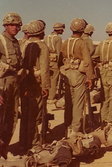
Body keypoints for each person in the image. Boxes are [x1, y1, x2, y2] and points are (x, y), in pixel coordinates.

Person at [20, 20, 50, 151]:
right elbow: (44, 68)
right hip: (36, 84)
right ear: (41, 32)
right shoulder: (42, 46)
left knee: (25, 114)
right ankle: (34, 143)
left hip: (24, 82)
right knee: (36, 114)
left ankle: (23, 143)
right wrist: (46, 86)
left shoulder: (24, 44)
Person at [61, 18, 93, 136]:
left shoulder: (65, 42)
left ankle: (67, 127)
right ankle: (75, 130)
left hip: (67, 73)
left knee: (69, 102)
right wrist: (89, 77)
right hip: (78, 74)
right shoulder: (81, 43)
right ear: (83, 29)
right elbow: (87, 61)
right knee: (78, 103)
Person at [0, 12, 23, 159]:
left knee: (12, 119)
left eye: (17, 25)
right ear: (5, 25)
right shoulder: (1, 40)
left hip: (14, 84)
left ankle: (3, 148)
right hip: (2, 85)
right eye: (12, 25)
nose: (15, 27)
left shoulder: (15, 42)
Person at [92, 22, 112, 127]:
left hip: (103, 71)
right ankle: (110, 120)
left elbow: (94, 57)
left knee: (104, 95)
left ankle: (103, 118)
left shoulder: (101, 44)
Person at [44, 22, 65, 103]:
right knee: (54, 80)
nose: (62, 31)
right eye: (62, 30)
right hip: (54, 61)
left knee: (47, 78)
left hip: (47, 60)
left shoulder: (46, 38)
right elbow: (59, 52)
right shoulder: (58, 39)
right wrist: (60, 63)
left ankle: (47, 94)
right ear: (59, 29)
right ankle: (51, 97)